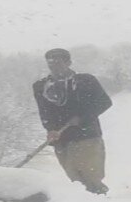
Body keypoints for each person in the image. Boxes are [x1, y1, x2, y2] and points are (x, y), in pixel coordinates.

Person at [33, 48, 112, 194]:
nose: (54, 66)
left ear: (68, 62)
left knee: (91, 177)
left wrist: (82, 119)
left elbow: (104, 102)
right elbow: (44, 112)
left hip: (87, 136)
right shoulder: (41, 87)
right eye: (51, 63)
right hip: (61, 139)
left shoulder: (85, 81)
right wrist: (50, 129)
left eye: (58, 62)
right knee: (74, 179)